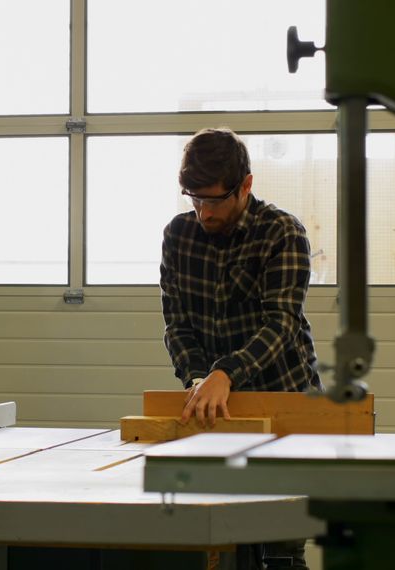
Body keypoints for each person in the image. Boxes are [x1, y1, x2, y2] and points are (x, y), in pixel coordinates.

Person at [160, 127, 321, 570]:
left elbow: (282, 322)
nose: (203, 213)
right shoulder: (179, 236)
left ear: (245, 185)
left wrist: (225, 373)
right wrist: (197, 379)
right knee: (218, 540)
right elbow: (177, 324)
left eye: (213, 201)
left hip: (283, 398)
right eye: (193, 199)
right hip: (214, 406)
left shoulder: (282, 233)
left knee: (280, 549)